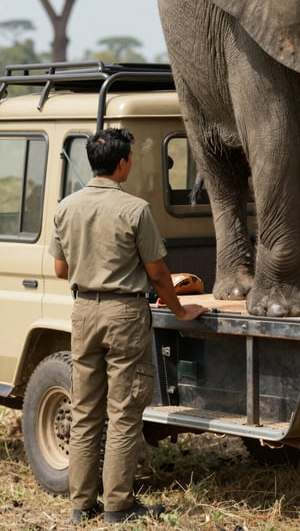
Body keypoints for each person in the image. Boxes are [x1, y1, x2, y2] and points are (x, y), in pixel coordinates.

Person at [49, 128, 209, 525]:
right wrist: (181, 310)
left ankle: (79, 506)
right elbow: (158, 275)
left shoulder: (66, 207)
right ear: (123, 164)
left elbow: (60, 269)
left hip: (83, 311)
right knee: (123, 414)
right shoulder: (135, 209)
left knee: (85, 412)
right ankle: (117, 507)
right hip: (125, 314)